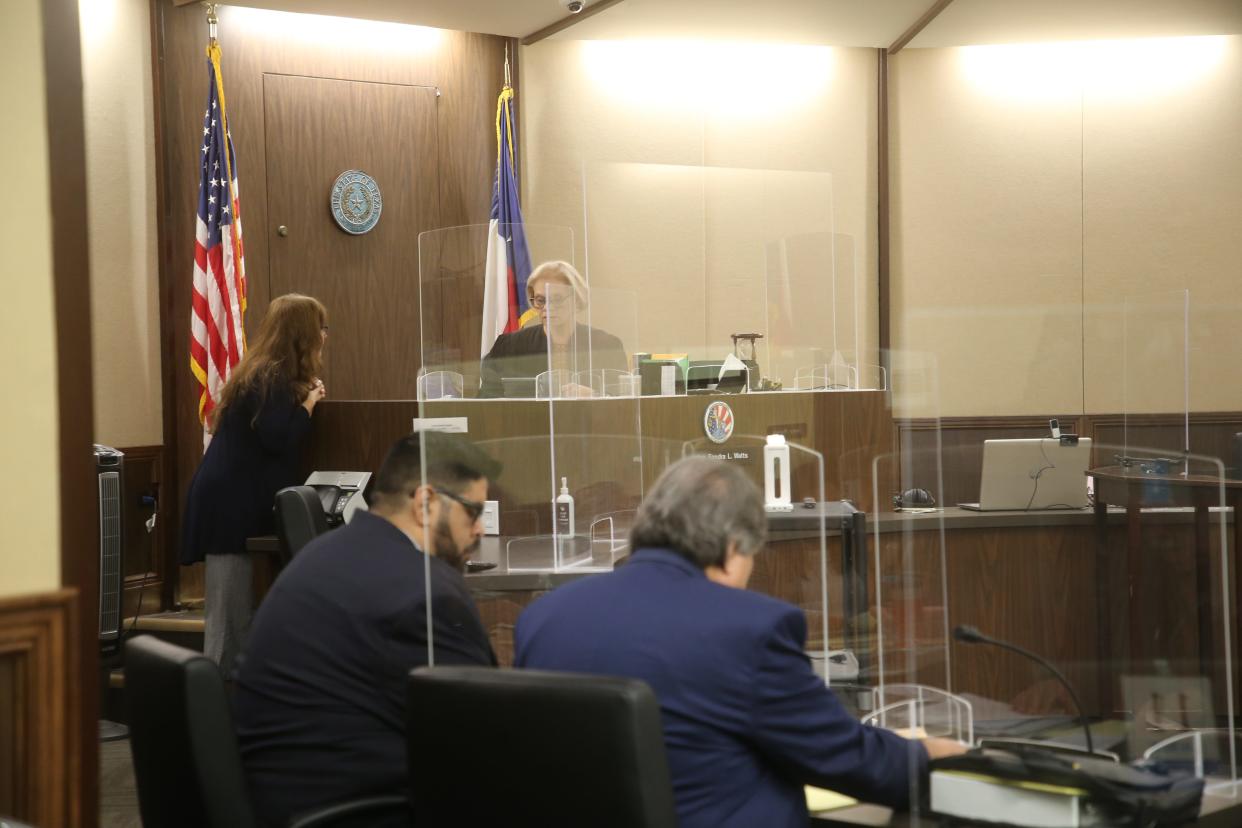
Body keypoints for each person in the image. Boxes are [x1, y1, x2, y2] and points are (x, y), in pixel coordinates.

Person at [515, 457, 965, 828]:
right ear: (733, 548)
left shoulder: (543, 618)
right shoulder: (750, 629)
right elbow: (848, 760)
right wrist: (930, 751)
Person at [232, 432, 501, 828]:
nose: (479, 530)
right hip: (355, 810)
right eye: (473, 512)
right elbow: (487, 742)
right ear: (425, 503)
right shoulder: (424, 593)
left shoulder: (323, 553)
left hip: (282, 800)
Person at [180, 293, 329, 676]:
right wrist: (309, 406)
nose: (325, 336)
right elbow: (277, 436)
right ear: (303, 334)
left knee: (241, 619)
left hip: (237, 502)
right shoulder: (269, 375)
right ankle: (211, 717)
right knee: (227, 625)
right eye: (321, 328)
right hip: (230, 509)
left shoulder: (266, 371)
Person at [479, 260, 628, 397]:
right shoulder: (508, 347)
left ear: (576, 299)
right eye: (540, 300)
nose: (547, 307)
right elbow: (486, 403)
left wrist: (595, 395)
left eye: (556, 299)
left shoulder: (606, 345)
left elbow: (622, 401)